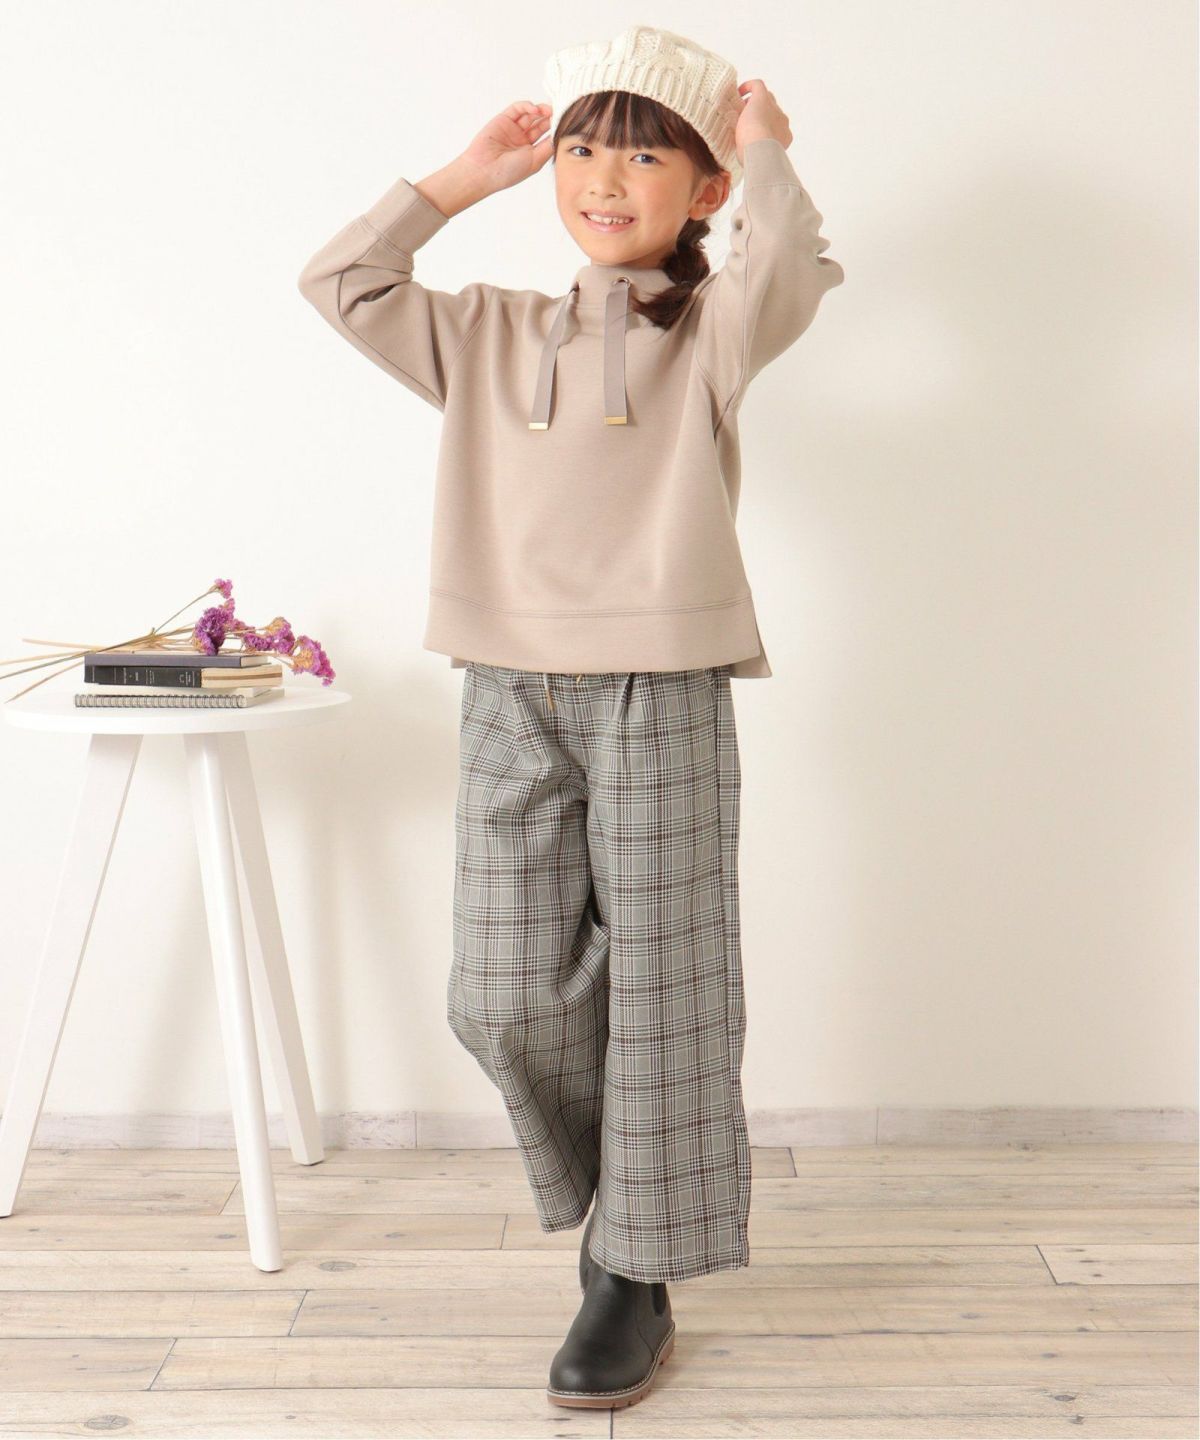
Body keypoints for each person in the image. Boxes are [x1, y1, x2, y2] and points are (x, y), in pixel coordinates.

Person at [297, 23, 844, 1411]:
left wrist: (767, 148)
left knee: (665, 984)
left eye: (645, 157)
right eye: (585, 149)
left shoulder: (711, 331)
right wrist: (462, 178)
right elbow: (340, 281)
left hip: (663, 686)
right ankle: (632, 1207)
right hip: (504, 684)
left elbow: (786, 265)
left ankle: (630, 1275)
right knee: (501, 993)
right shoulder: (485, 330)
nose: (603, 178)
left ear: (703, 190)